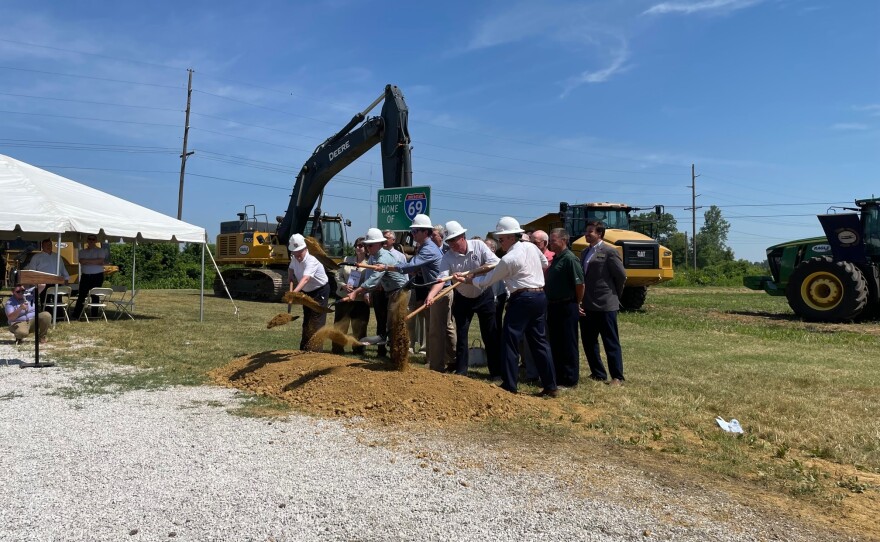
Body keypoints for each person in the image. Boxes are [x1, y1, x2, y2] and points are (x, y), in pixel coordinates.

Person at [453, 216, 556, 397]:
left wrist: (467, 280)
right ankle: (550, 385)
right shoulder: (531, 247)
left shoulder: (508, 259)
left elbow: (486, 281)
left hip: (522, 298)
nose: (500, 243)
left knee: (509, 340)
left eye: (501, 239)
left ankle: (509, 384)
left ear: (510, 237)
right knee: (540, 342)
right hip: (540, 296)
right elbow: (545, 262)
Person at [426, 220, 500, 376]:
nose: (452, 244)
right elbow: (442, 280)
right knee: (462, 334)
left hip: (483, 295)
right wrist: (431, 296)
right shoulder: (447, 257)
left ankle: (496, 372)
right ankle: (461, 371)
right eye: (449, 241)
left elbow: (495, 263)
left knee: (490, 335)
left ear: (463, 236)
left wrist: (473, 274)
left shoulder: (479, 246)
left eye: (454, 240)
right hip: (463, 298)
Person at [373, 214, 446, 370]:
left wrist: (386, 267)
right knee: (434, 328)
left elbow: (409, 266)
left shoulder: (428, 249)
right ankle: (436, 361)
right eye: (412, 231)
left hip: (441, 289)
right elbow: (416, 269)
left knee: (436, 329)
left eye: (415, 231)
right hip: (432, 287)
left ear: (425, 232)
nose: (412, 234)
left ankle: (438, 362)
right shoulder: (425, 247)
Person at [342, 228, 409, 349]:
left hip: (399, 292)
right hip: (393, 292)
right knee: (392, 324)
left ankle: (398, 355)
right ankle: (395, 354)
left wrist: (356, 292)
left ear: (379, 244)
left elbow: (373, 281)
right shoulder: (377, 256)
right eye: (366, 245)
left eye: (370, 245)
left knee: (394, 324)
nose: (367, 248)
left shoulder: (383, 258)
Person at [579, 221, 627, 385]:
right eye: (586, 231)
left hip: (606, 304)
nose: (586, 234)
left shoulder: (609, 252)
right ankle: (598, 373)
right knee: (588, 340)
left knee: (610, 341)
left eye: (590, 231)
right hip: (587, 304)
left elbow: (621, 276)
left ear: (599, 234)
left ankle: (617, 377)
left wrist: (614, 295)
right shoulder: (585, 252)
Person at [545, 228, 585, 387]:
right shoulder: (556, 258)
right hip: (553, 306)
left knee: (568, 343)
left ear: (564, 240)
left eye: (553, 240)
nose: (550, 243)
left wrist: (577, 302)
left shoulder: (570, 259)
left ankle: (570, 379)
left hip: (567, 305)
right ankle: (558, 376)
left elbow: (580, 284)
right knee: (556, 342)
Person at [287, 233, 330, 352]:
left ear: (305, 248)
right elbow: (291, 267)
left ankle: (316, 351)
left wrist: (294, 293)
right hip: (307, 292)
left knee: (317, 322)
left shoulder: (312, 260)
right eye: (294, 254)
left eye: (299, 253)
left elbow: (306, 278)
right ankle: (304, 350)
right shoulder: (295, 258)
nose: (297, 256)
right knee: (307, 321)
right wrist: (290, 275)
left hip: (319, 291)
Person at [370, 230, 408, 358]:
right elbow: (372, 275)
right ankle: (385, 351)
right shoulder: (374, 255)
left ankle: (397, 353)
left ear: (393, 240)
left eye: (387, 238)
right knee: (384, 322)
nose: (385, 240)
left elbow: (404, 274)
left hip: (396, 291)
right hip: (381, 292)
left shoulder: (397, 255)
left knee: (394, 322)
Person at [332, 237, 369, 356]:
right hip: (343, 296)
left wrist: (358, 291)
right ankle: (337, 349)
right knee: (340, 324)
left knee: (359, 326)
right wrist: (343, 285)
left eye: (362, 245)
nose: (359, 247)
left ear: (367, 248)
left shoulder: (370, 264)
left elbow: (370, 281)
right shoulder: (347, 259)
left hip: (360, 300)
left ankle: (358, 350)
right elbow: (338, 275)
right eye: (357, 245)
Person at [72, 234, 109, 319]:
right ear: (87, 240)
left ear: (96, 241)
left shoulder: (100, 250)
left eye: (93, 239)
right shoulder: (82, 251)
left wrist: (88, 261)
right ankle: (76, 314)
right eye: (89, 239)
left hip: (97, 276)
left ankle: (94, 315)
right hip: (85, 276)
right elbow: (82, 261)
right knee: (81, 295)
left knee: (95, 295)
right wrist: (95, 261)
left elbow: (101, 261)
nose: (91, 241)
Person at [25, 238, 70, 306]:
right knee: (45, 302)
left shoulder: (57, 256)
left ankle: (58, 316)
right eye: (46, 245)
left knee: (58, 302)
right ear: (42, 246)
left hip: (57, 282)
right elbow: (32, 271)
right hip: (43, 283)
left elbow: (62, 268)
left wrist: (66, 279)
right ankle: (46, 315)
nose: (48, 247)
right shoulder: (36, 257)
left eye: (50, 245)